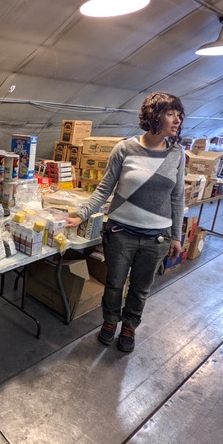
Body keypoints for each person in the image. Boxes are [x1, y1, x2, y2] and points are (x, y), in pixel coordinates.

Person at [68, 91, 186, 353]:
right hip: (121, 232)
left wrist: (177, 237)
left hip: (157, 238)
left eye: (179, 115)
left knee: (140, 290)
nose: (177, 120)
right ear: (154, 116)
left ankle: (130, 326)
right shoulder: (125, 149)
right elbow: (104, 188)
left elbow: (178, 198)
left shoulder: (177, 154)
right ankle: (110, 322)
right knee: (114, 284)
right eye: (170, 114)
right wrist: (81, 214)